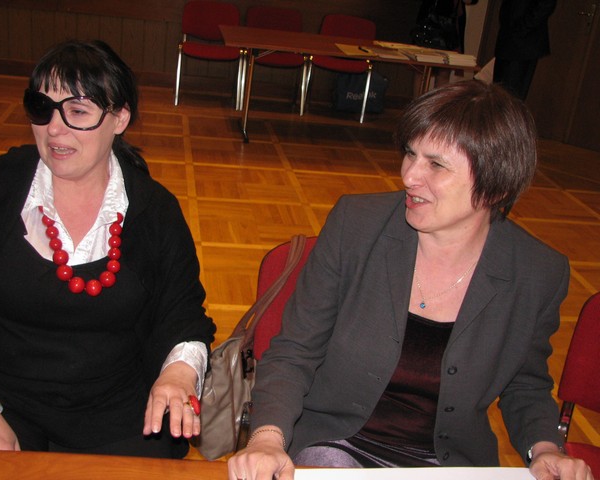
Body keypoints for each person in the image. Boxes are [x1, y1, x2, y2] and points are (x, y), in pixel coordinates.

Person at [228, 80, 593, 480]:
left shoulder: (538, 272)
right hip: (338, 444)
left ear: (496, 186)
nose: (409, 176)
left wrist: (544, 448)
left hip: (448, 464)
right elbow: (294, 351)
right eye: (410, 154)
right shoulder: (356, 226)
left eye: (436, 165)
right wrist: (266, 438)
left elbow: (525, 384)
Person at [0, 40, 216, 458]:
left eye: (77, 112)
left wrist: (178, 373)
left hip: (118, 410)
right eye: (42, 108)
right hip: (1, 402)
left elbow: (182, 313)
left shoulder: (154, 211)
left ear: (120, 118)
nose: (53, 129)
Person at [493, 0, 557, 100]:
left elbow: (546, 4)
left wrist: (523, 27)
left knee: (510, 97)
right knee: (496, 92)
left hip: (523, 43)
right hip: (506, 38)